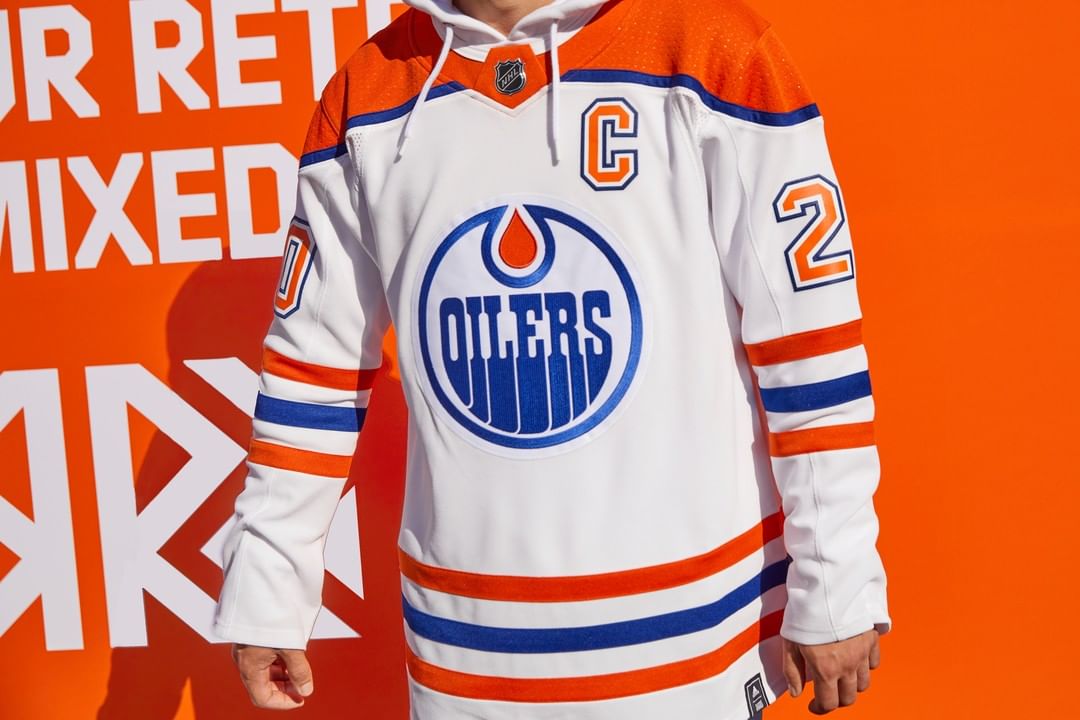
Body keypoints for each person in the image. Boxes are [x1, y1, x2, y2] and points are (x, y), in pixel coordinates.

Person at [212, 0, 891, 717]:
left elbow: (808, 338)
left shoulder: (711, 48)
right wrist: (267, 586)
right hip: (465, 665)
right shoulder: (369, 93)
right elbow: (310, 372)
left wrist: (836, 571)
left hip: (691, 652)